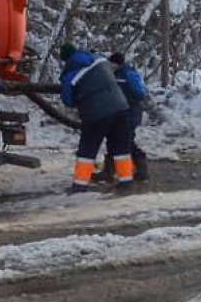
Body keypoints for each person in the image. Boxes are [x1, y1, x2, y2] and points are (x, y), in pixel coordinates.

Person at [58, 43, 133, 192]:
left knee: (87, 149)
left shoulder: (69, 74)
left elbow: (67, 100)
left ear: (66, 59)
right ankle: (126, 181)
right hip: (121, 108)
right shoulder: (98, 59)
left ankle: (80, 185)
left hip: (97, 114)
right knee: (121, 147)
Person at [110, 52, 150, 181]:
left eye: (111, 64)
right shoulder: (115, 74)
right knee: (116, 140)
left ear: (116, 64)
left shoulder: (128, 73)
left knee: (126, 141)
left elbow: (140, 92)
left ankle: (141, 167)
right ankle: (111, 169)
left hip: (130, 113)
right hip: (121, 113)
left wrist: (127, 102)